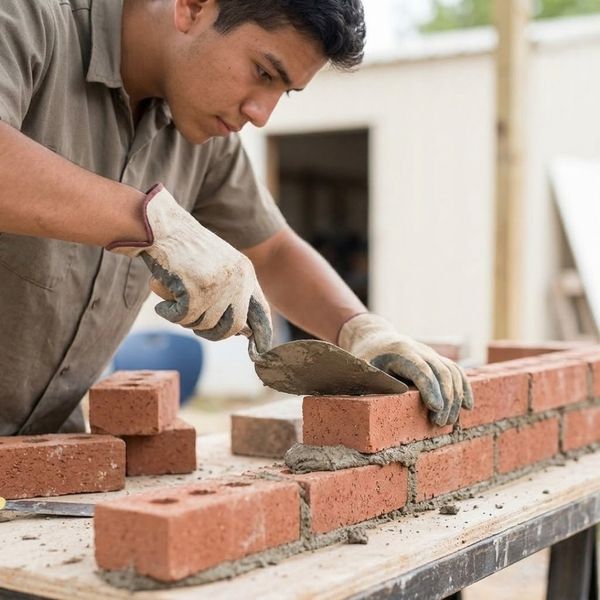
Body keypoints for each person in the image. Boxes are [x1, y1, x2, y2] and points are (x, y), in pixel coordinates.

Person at [0, 0, 472, 437]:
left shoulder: (202, 133)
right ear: (193, 6)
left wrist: (361, 330)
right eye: (263, 72)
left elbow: (272, 250)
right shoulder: (30, 20)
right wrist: (152, 223)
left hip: (37, 458)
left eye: (283, 93)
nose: (261, 114)